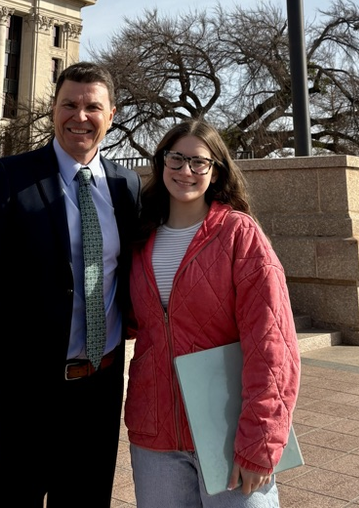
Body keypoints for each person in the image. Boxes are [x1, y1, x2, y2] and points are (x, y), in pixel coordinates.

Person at [0, 61, 140, 508]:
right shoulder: (10, 177)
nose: (80, 116)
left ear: (111, 114)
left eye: (93, 106)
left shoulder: (125, 185)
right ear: (53, 110)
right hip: (21, 395)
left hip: (100, 389)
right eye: (69, 104)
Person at [124, 119, 300, 508]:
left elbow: (273, 342)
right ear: (161, 163)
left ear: (215, 170)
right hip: (156, 439)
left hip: (231, 434)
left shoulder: (239, 233)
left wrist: (262, 438)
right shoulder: (139, 239)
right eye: (176, 159)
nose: (185, 170)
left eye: (198, 162)